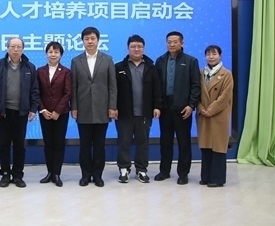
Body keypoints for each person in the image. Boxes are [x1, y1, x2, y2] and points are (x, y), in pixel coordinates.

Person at [0, 37, 40, 188]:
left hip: (21, 112)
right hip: (3, 113)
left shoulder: (30, 67)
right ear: (7, 48)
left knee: (19, 145)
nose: (16, 49)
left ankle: (17, 175)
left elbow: (35, 90)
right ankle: (5, 174)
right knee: (3, 145)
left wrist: (33, 108)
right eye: (13, 46)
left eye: (19, 47)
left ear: (23, 49)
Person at [70, 27, 117, 188]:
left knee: (99, 145)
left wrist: (112, 106)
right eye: (87, 39)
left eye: (92, 38)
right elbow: (74, 86)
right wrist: (74, 106)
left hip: (102, 108)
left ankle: (97, 175)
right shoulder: (76, 61)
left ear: (98, 40)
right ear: (82, 41)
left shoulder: (107, 59)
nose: (90, 41)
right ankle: (85, 175)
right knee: (84, 145)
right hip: (83, 108)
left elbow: (112, 86)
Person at [114, 35, 162, 184]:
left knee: (143, 142)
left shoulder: (151, 67)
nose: (136, 49)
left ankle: (141, 170)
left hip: (145, 113)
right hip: (124, 113)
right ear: (128, 48)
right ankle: (124, 169)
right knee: (124, 142)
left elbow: (157, 89)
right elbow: (113, 90)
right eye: (133, 46)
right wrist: (113, 107)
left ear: (143, 48)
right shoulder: (119, 67)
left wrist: (157, 106)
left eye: (139, 46)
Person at [154, 31, 201, 185]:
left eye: (175, 42)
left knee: (184, 142)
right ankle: (164, 171)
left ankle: (183, 173)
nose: (172, 44)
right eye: (169, 42)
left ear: (182, 43)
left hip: (183, 109)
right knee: (165, 142)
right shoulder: (160, 61)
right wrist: (157, 105)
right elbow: (157, 85)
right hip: (165, 108)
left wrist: (191, 105)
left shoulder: (191, 61)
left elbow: (195, 85)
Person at [196, 45, 233, 187]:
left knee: (218, 147)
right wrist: (200, 108)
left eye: (214, 54)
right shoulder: (201, 73)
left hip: (218, 115)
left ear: (220, 55)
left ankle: (217, 179)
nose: (211, 57)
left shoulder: (226, 74)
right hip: (203, 115)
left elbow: (225, 96)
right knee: (206, 147)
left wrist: (210, 110)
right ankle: (205, 177)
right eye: (208, 54)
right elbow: (195, 93)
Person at [36, 41, 72, 187]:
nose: (53, 54)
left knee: (58, 143)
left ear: (61, 55)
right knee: (48, 143)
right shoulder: (40, 71)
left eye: (56, 52)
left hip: (61, 114)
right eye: (50, 51)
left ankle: (57, 173)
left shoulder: (66, 72)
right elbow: (36, 92)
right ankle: (49, 172)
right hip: (44, 113)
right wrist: (43, 110)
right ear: (46, 54)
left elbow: (68, 93)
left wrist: (57, 111)